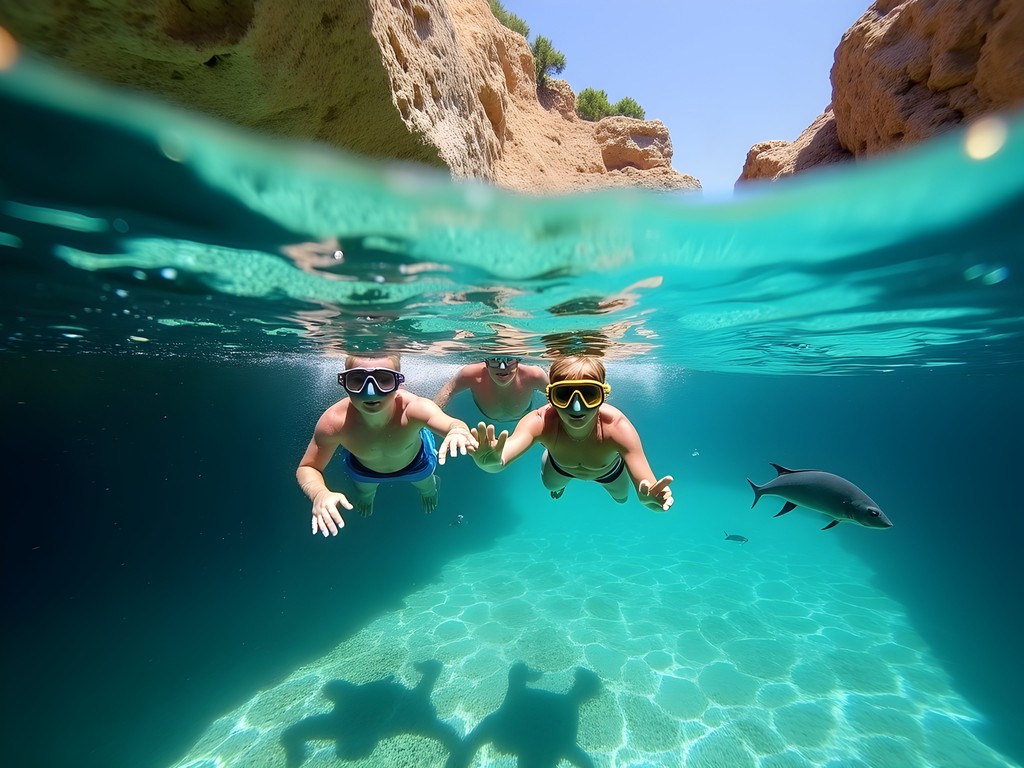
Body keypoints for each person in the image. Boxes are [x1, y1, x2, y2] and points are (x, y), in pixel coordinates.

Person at [296, 354, 478, 536]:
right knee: (365, 494)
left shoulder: (413, 408)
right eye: (357, 380)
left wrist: (458, 430)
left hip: (417, 464)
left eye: (384, 380)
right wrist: (319, 494)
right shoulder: (334, 421)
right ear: (344, 383)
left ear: (398, 384)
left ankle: (428, 491)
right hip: (364, 471)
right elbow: (308, 467)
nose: (370, 391)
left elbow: (451, 423)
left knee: (427, 488)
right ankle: (370, 495)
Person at [467, 355, 674, 512]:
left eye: (589, 395)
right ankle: (553, 464)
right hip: (560, 469)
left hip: (609, 473)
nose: (576, 407)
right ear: (550, 397)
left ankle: (553, 456)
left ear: (603, 396)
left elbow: (645, 484)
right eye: (564, 395)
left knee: (622, 498)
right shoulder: (540, 421)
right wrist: (489, 463)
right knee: (551, 487)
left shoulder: (617, 427)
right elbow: (501, 458)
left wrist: (647, 497)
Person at [434, 356, 549, 423]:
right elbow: (448, 390)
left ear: (518, 361)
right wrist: (431, 420)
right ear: (486, 363)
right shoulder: (471, 374)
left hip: (523, 418)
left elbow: (556, 396)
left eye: (509, 359)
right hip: (486, 419)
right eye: (495, 359)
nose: (502, 367)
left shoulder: (534, 375)